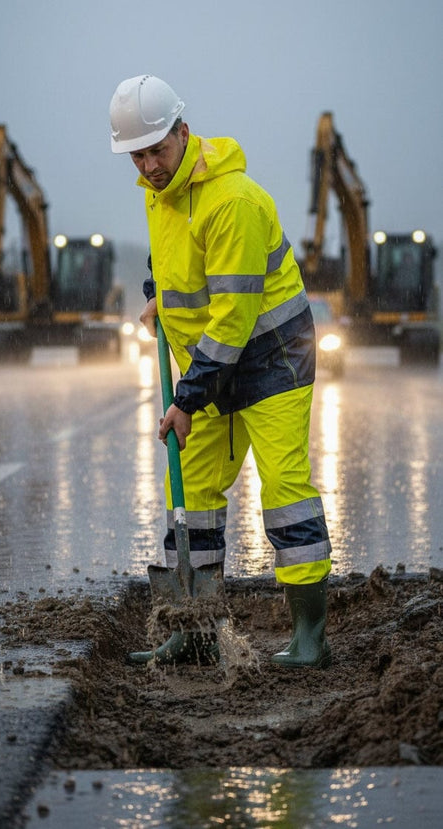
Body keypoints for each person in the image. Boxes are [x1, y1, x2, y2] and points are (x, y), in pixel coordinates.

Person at [109, 74, 332, 668]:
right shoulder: (159, 191)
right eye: (138, 154)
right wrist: (161, 295)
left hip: (272, 358)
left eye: (158, 149)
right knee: (190, 490)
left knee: (285, 491)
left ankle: (311, 634)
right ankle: (196, 628)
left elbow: (233, 316)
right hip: (215, 365)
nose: (150, 165)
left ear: (184, 132)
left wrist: (186, 397)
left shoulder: (232, 201)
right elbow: (177, 262)